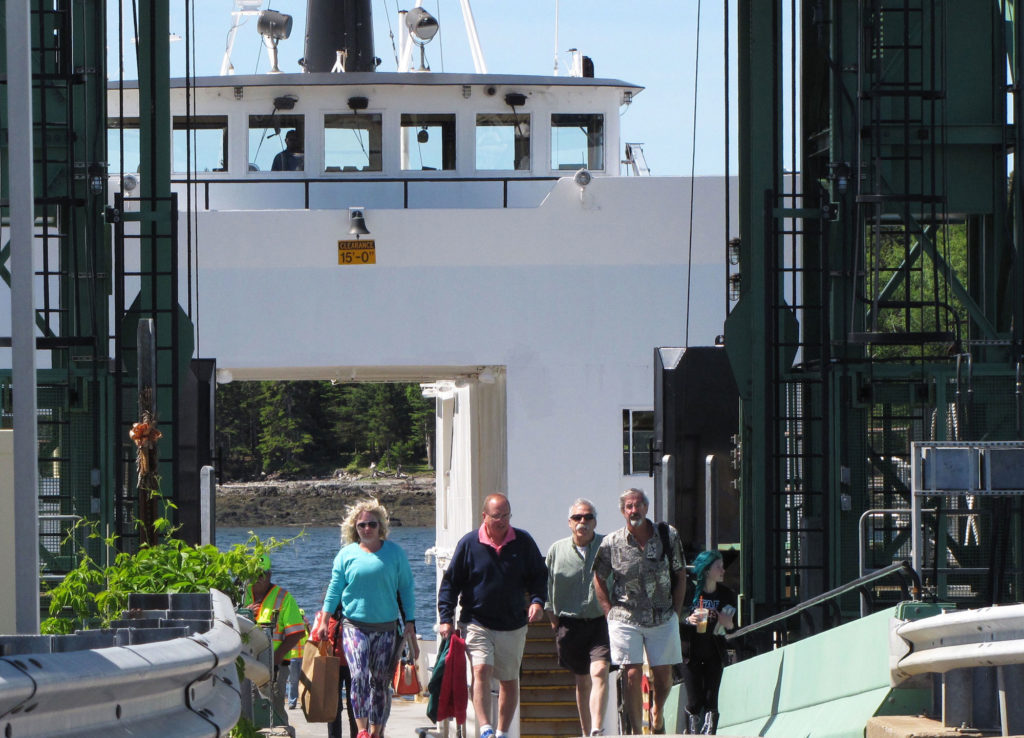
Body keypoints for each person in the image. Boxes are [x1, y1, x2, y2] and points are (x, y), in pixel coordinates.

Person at [438, 493, 548, 738]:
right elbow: (450, 584)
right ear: (484, 516)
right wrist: (446, 618)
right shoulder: (469, 544)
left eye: (506, 515)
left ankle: (502, 732)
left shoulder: (523, 541)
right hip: (477, 621)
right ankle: (486, 729)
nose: (502, 521)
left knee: (509, 680)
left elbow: (539, 576)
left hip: (514, 624)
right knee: (481, 671)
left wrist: (538, 602)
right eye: (497, 516)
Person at [314, 499, 417, 738]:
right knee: (359, 676)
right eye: (362, 525)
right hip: (354, 626)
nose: (367, 529)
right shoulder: (346, 555)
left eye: (372, 524)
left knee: (380, 683)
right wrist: (323, 621)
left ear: (381, 526)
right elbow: (334, 589)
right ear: (355, 528)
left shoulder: (395, 553)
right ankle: (362, 731)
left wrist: (410, 622)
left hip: (386, 628)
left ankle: (376, 730)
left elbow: (407, 589)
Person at [593, 488, 686, 735]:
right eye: (628, 507)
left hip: (663, 615)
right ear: (623, 511)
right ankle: (636, 731)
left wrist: (676, 612)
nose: (634, 511)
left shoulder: (668, 535)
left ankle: (657, 712)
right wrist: (608, 611)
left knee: (664, 677)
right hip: (625, 617)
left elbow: (680, 573)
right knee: (632, 673)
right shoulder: (611, 543)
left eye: (638, 505)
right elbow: (598, 577)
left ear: (646, 507)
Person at [545, 498, 612, 737]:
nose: (582, 522)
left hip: (600, 622)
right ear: (569, 522)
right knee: (582, 681)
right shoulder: (556, 550)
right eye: (577, 518)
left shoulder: (607, 545)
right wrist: (554, 620)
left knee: (600, 670)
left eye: (588, 517)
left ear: (595, 521)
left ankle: (597, 729)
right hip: (569, 624)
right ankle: (586, 732)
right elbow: (548, 588)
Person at [241, 554, 306, 725]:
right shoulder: (241, 596)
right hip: (246, 662)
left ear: (269, 575)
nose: (258, 578)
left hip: (275, 665)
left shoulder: (283, 597)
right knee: (247, 708)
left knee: (274, 707)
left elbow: (297, 632)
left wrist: (277, 656)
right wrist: (245, 613)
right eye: (254, 574)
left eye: (262, 574)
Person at [681, 550, 736, 735]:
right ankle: (692, 732)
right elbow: (675, 618)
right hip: (690, 655)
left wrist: (728, 625)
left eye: (723, 566)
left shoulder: (726, 595)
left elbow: (732, 630)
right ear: (706, 571)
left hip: (714, 654)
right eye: (718, 567)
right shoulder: (689, 593)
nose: (723, 570)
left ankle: (710, 734)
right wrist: (689, 619)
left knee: (712, 701)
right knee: (694, 702)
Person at [285, 608, 310, 709]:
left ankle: (305, 702)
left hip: (304, 658)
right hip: (293, 658)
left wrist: (308, 624)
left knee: (305, 681)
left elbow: (314, 637)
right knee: (293, 681)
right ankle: (292, 702)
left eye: (302, 617)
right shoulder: (290, 628)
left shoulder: (306, 628)